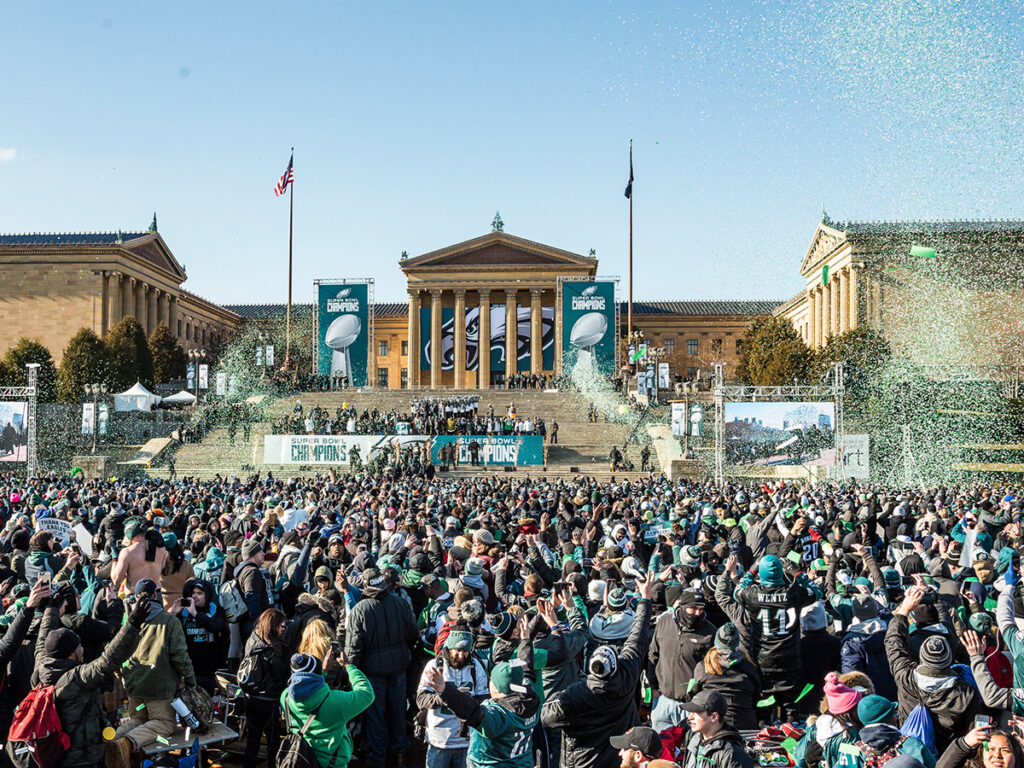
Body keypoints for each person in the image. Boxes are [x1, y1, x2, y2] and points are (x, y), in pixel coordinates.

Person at [541, 573, 656, 768]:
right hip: (617, 755)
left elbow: (546, 716)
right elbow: (637, 637)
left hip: (582, 762)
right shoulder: (626, 673)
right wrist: (645, 600)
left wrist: (558, 696)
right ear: (615, 665)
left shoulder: (576, 695)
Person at [29, 584, 147, 768]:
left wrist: (52, 607)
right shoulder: (76, 678)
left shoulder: (42, 664)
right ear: (71, 653)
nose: (82, 649)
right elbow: (110, 659)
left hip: (57, 755)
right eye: (79, 647)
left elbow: (44, 636)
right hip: (83, 759)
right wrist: (133, 623)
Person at [423, 622, 540, 768]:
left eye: (492, 679)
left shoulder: (498, 717)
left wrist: (446, 691)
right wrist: (525, 641)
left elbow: (472, 712)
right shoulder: (531, 697)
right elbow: (526, 669)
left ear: (496, 689)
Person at [886, 585, 980, 752]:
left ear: (921, 657)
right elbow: (944, 621)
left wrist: (904, 609)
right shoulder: (965, 692)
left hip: (913, 749)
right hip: (949, 750)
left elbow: (894, 643)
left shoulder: (905, 677)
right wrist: (932, 596)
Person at [112, 579, 198, 759]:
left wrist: (124, 679)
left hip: (135, 691)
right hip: (159, 692)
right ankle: (126, 742)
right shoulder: (169, 621)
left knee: (139, 719)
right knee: (164, 723)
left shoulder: (129, 621)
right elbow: (180, 656)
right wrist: (190, 681)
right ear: (154, 595)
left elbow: (117, 653)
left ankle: (114, 741)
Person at [345, 567, 418, 768]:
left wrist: (351, 671)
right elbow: (413, 633)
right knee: (397, 711)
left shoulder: (360, 609)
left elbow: (354, 647)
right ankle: (401, 754)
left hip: (373, 671)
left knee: (375, 714)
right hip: (399, 668)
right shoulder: (401, 603)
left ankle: (377, 757)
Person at [279, 652, 374, 768]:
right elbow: (367, 694)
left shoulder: (285, 698)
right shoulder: (335, 701)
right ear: (316, 674)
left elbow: (306, 686)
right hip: (332, 763)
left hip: (300, 760)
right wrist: (349, 666)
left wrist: (322, 671)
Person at [416, 627, 489, 768]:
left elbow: (484, 700)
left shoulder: (475, 667)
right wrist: (443, 696)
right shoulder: (435, 666)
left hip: (466, 743)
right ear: (449, 647)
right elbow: (421, 700)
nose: (461, 656)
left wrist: (465, 701)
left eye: (465, 651)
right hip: (439, 742)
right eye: (458, 650)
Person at [649, 590, 716, 731]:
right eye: (693, 609)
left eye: (701, 609)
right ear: (683, 607)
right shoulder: (664, 623)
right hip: (662, 701)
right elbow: (653, 655)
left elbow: (712, 671)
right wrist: (653, 688)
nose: (698, 613)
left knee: (688, 749)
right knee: (659, 750)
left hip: (691, 706)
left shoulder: (710, 632)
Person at [678, 690, 754, 768]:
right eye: (691, 712)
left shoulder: (733, 754)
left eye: (696, 712)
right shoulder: (693, 741)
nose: (690, 717)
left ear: (714, 717)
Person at [111, 518, 166, 591]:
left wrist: (115, 559)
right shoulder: (161, 548)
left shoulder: (127, 552)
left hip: (135, 596)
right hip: (156, 594)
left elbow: (116, 581)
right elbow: (162, 567)